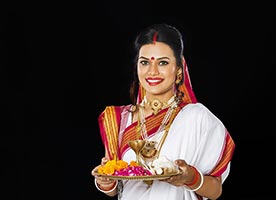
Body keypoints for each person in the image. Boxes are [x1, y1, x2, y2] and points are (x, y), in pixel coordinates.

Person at [91, 23, 235, 200]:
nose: (152, 71)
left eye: (163, 63)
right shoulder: (117, 119)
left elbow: (215, 191)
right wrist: (105, 182)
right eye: (145, 62)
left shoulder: (197, 117)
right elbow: (115, 186)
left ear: (179, 70)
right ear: (137, 68)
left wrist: (190, 178)